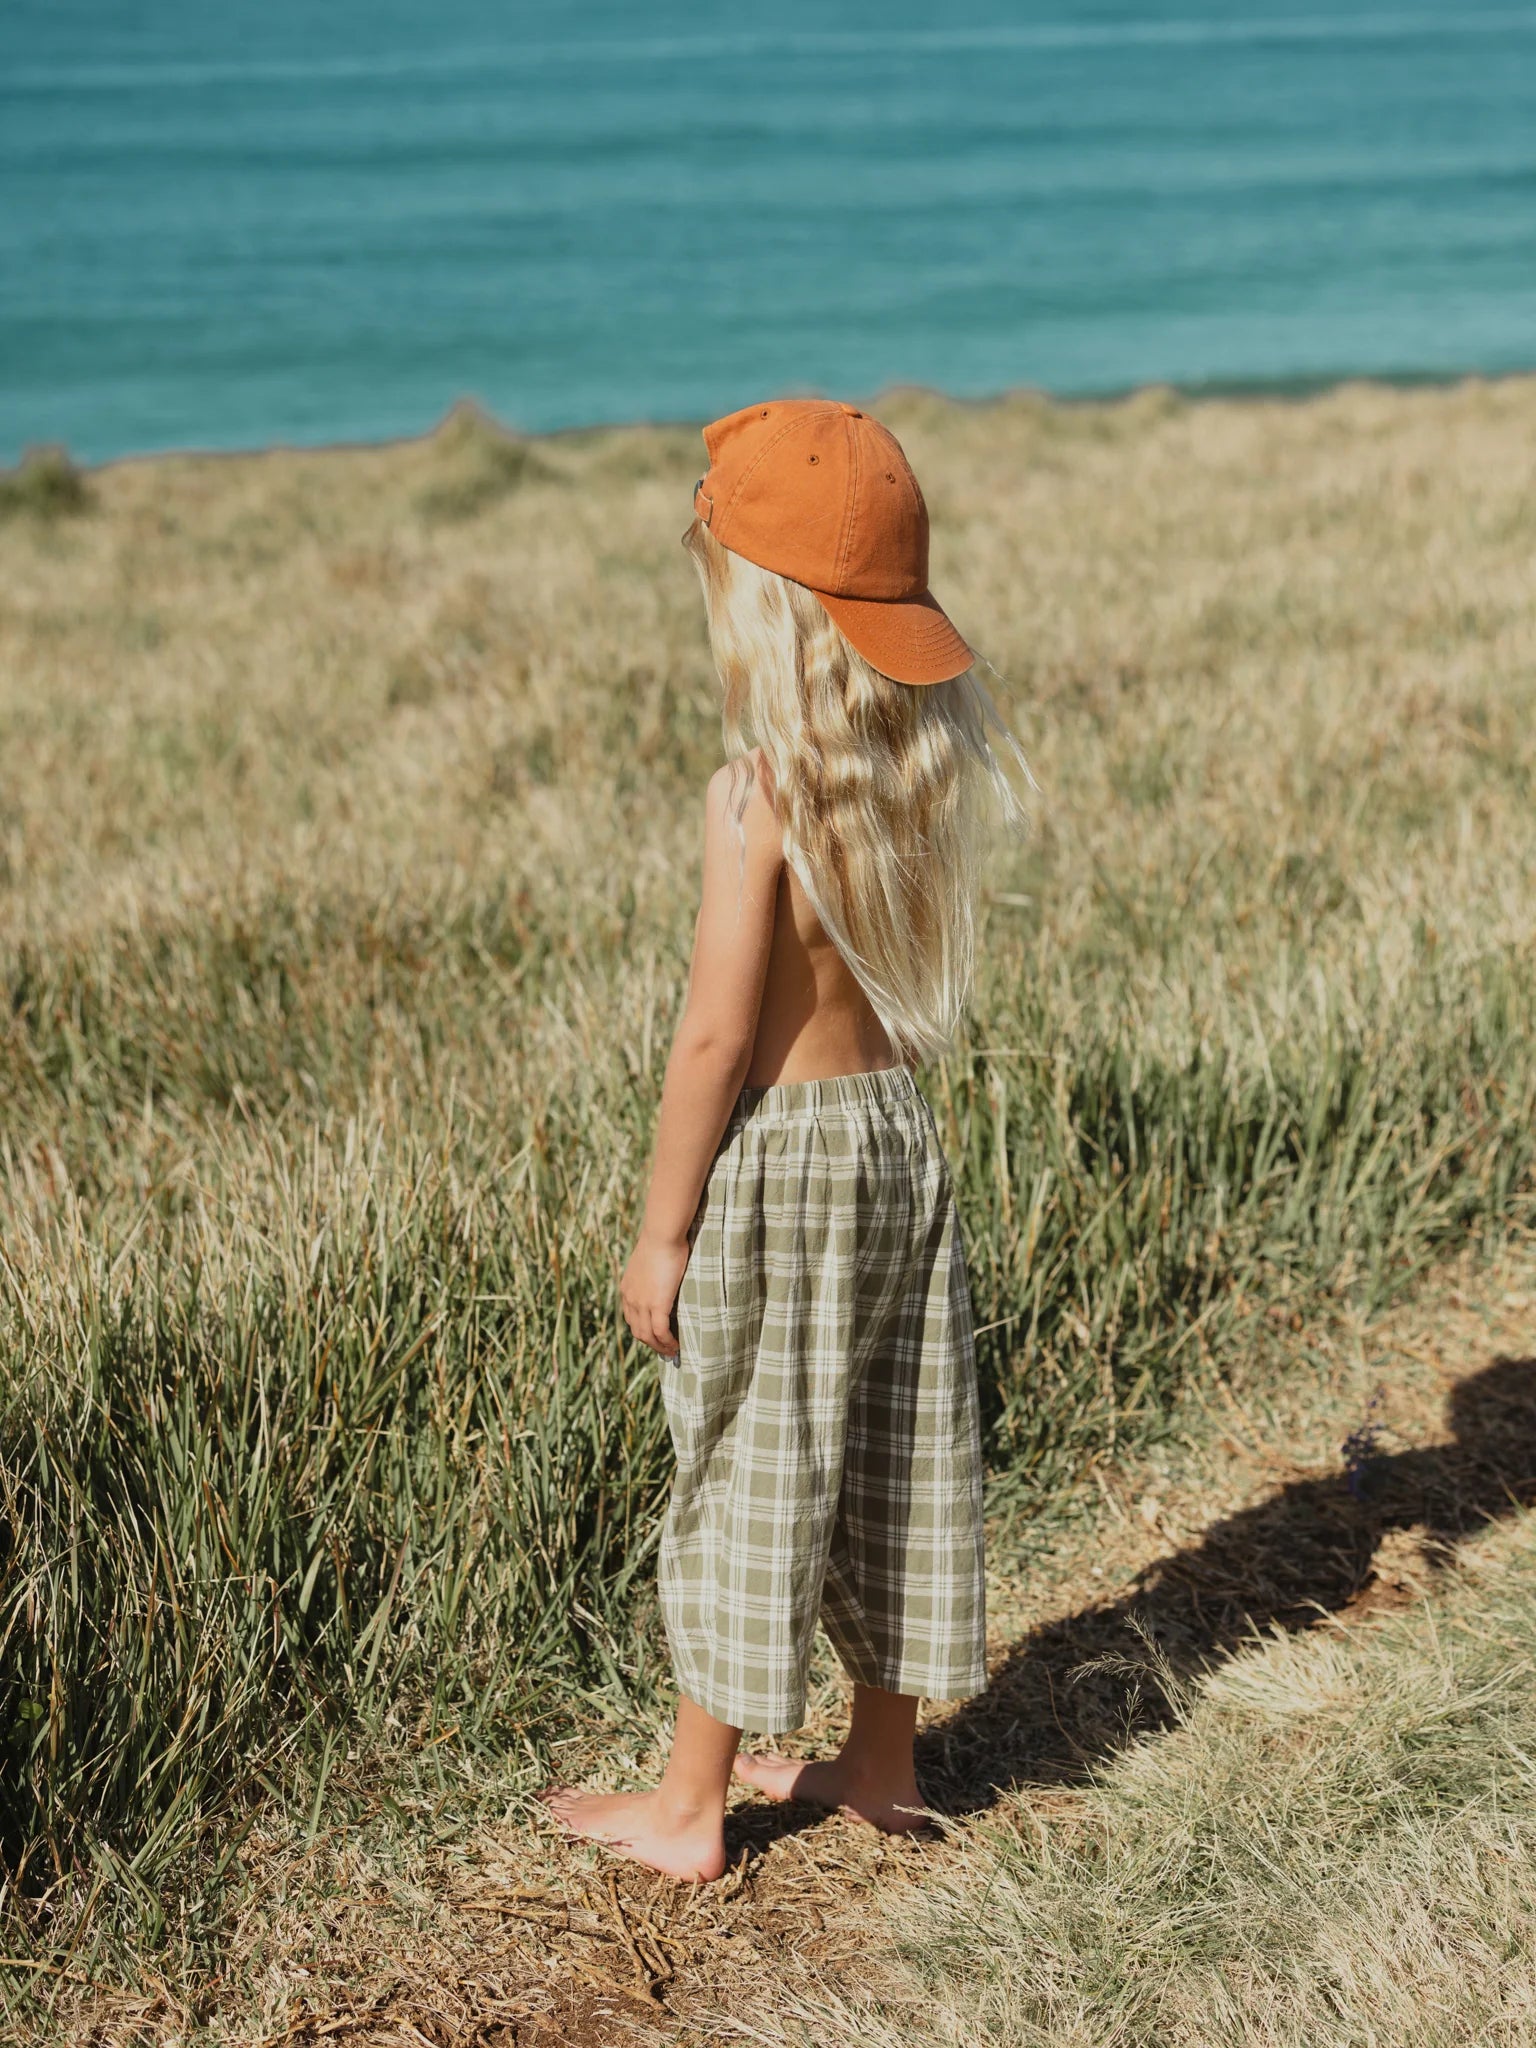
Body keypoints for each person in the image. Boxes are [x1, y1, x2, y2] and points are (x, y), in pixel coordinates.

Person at [541, 397, 1031, 1881]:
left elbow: (710, 1040)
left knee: (751, 1464)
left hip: (784, 1163)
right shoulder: (919, 778)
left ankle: (691, 1809)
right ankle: (882, 1764)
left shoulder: (754, 798)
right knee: (894, 1446)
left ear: (758, 610)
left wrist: (662, 1227)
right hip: (896, 1145)